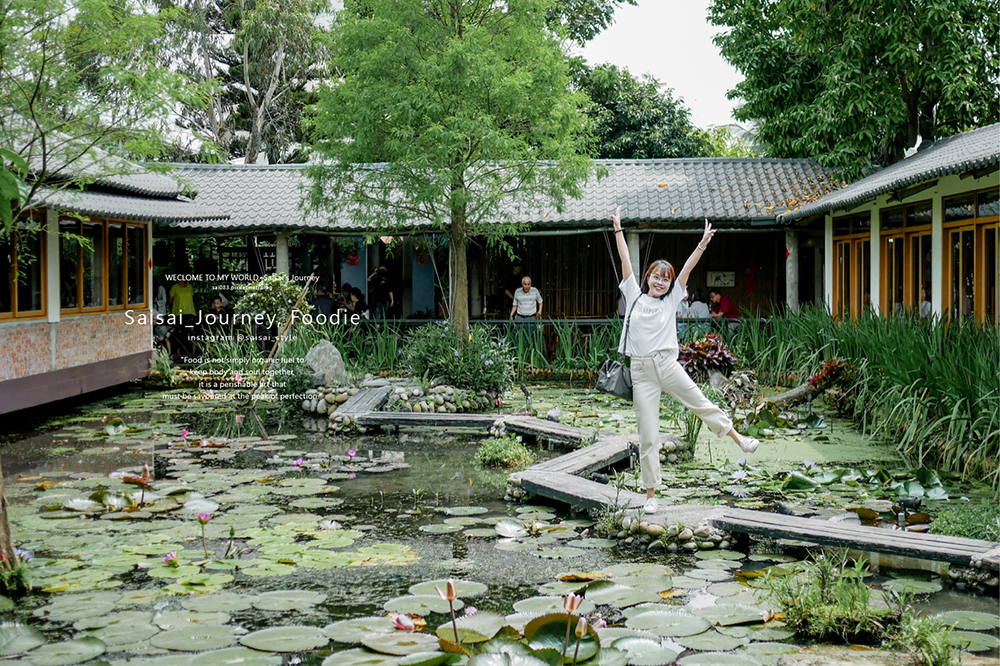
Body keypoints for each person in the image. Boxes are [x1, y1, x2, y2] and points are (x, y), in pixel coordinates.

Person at [610, 207, 759, 515]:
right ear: (647, 277)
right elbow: (625, 260)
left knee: (700, 402)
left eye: (666, 278)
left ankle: (738, 438)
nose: (661, 282)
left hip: (667, 365)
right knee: (648, 434)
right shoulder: (634, 296)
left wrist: (703, 243)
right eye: (656, 276)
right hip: (640, 371)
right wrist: (618, 229)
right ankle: (651, 495)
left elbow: (688, 269)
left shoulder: (671, 300)